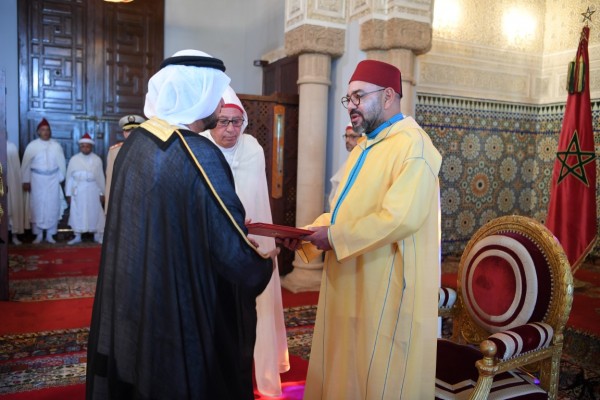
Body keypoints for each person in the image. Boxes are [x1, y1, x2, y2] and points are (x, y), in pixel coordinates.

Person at [86, 50, 275, 400]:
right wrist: (260, 260)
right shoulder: (198, 153)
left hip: (138, 293)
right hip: (180, 302)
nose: (220, 103)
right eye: (215, 93)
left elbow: (170, 214)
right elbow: (233, 256)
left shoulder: (136, 143)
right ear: (197, 93)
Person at [283, 60, 442, 398]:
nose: (351, 106)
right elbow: (346, 210)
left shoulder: (413, 145)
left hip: (384, 284)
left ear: (388, 96)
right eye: (349, 99)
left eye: (358, 96)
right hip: (353, 278)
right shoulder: (366, 146)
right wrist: (308, 234)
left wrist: (333, 237)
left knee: (377, 375)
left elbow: (401, 218)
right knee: (346, 368)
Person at [202, 86, 290, 397]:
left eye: (236, 122)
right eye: (223, 121)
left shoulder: (253, 148)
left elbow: (257, 198)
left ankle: (260, 372)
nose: (230, 129)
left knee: (255, 310)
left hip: (252, 245)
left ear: (244, 122)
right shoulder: (200, 148)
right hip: (214, 247)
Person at [21, 118, 67, 244]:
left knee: (52, 205)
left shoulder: (56, 146)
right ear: (38, 132)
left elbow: (61, 164)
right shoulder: (32, 146)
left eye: (47, 130)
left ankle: (50, 234)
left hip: (53, 179)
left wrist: (59, 177)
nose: (45, 132)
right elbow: (26, 165)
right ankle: (39, 234)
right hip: (36, 180)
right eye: (43, 130)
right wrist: (26, 180)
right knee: (37, 205)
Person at [65, 133, 105, 245]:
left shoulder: (97, 159)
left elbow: (100, 177)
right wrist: (68, 194)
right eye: (83, 146)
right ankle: (77, 235)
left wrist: (102, 192)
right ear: (80, 147)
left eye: (88, 146)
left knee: (95, 211)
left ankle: (97, 235)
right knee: (78, 212)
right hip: (79, 190)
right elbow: (69, 178)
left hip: (93, 189)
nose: (85, 148)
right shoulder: (74, 159)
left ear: (91, 147)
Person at [104, 114, 145, 213]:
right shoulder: (114, 151)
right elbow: (110, 180)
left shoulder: (149, 150)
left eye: (135, 131)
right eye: (128, 131)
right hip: (122, 199)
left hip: (143, 200)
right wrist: (108, 208)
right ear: (124, 133)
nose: (131, 134)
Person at [328, 122, 361, 208]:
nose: (347, 140)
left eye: (352, 136)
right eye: (346, 136)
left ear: (363, 138)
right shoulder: (349, 159)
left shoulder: (363, 160)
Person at [6, 140, 26, 244]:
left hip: (10, 182)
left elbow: (15, 170)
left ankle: (14, 235)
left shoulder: (11, 147)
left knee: (13, 208)